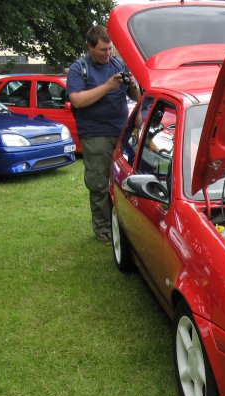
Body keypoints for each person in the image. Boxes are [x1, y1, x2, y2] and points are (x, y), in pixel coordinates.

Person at [67, 25, 140, 243]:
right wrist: (107, 86)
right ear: (90, 47)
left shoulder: (118, 63)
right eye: (102, 50)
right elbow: (77, 101)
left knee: (124, 181)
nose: (108, 54)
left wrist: (135, 85)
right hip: (95, 134)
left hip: (121, 133)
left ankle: (122, 222)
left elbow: (136, 96)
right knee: (99, 183)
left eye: (110, 49)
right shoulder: (79, 68)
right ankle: (102, 228)